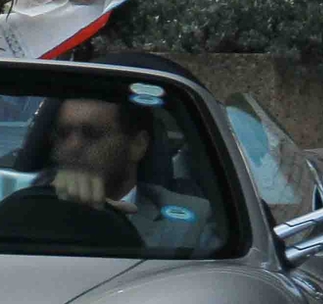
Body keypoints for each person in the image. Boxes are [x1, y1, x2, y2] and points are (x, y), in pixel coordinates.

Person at [41, 95, 211, 253]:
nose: (72, 146)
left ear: (138, 145)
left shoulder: (192, 219)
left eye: (92, 134)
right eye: (63, 134)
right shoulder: (31, 209)